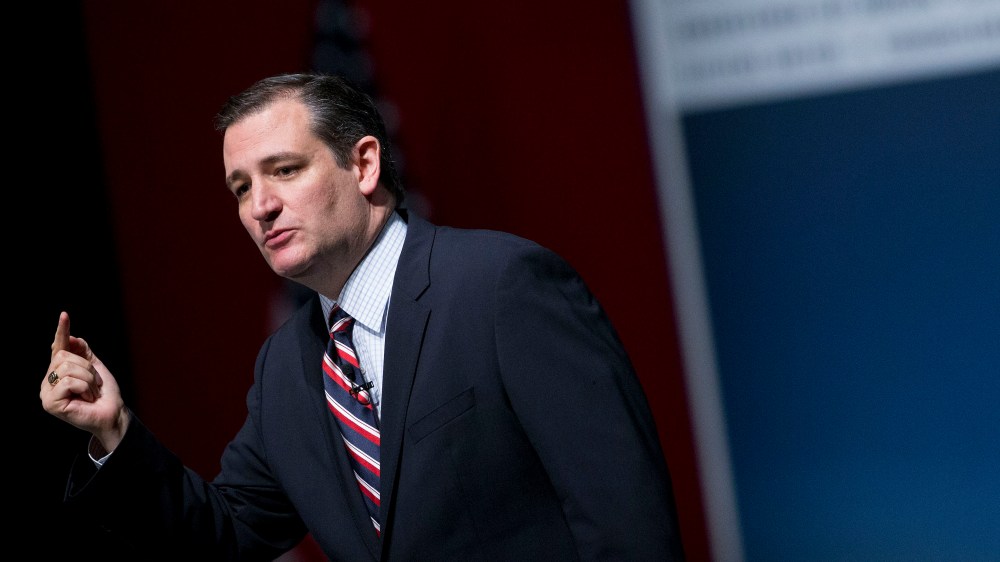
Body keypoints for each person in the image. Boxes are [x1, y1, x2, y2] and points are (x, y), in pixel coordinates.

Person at [40, 72, 685, 560]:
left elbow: (625, 521)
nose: (260, 206)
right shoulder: (287, 368)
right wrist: (113, 430)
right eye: (241, 188)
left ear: (364, 164)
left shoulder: (501, 288)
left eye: (284, 171)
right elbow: (225, 533)